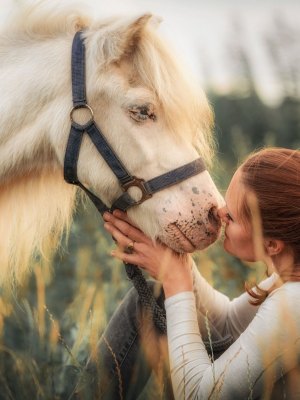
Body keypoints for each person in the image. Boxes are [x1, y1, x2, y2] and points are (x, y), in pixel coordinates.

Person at [82, 147, 300, 400]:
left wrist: (177, 283)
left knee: (155, 301)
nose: (220, 212)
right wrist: (175, 264)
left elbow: (199, 396)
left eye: (232, 215)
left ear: (272, 244)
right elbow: (231, 324)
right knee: (152, 298)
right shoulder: (289, 279)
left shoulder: (295, 302)